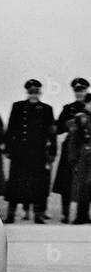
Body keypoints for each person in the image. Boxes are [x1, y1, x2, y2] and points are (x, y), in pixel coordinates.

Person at [4, 79, 56, 224]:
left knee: (38, 184)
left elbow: (51, 133)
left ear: (40, 93)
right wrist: (8, 148)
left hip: (38, 153)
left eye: (36, 92)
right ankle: (10, 214)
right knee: (15, 184)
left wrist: (52, 152)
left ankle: (38, 215)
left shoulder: (47, 109)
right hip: (20, 152)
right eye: (31, 92)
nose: (34, 94)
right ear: (27, 92)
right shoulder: (18, 107)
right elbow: (11, 129)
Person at [51, 77, 89, 223]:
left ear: (86, 91)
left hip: (87, 150)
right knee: (66, 182)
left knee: (86, 183)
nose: (80, 93)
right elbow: (57, 127)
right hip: (70, 149)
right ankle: (66, 214)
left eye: (82, 90)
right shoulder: (68, 108)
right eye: (77, 90)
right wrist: (69, 125)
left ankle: (84, 214)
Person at [67, 93, 91, 224]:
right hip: (84, 156)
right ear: (86, 104)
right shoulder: (80, 118)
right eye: (90, 103)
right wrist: (73, 158)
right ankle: (81, 215)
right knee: (83, 186)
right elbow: (73, 140)